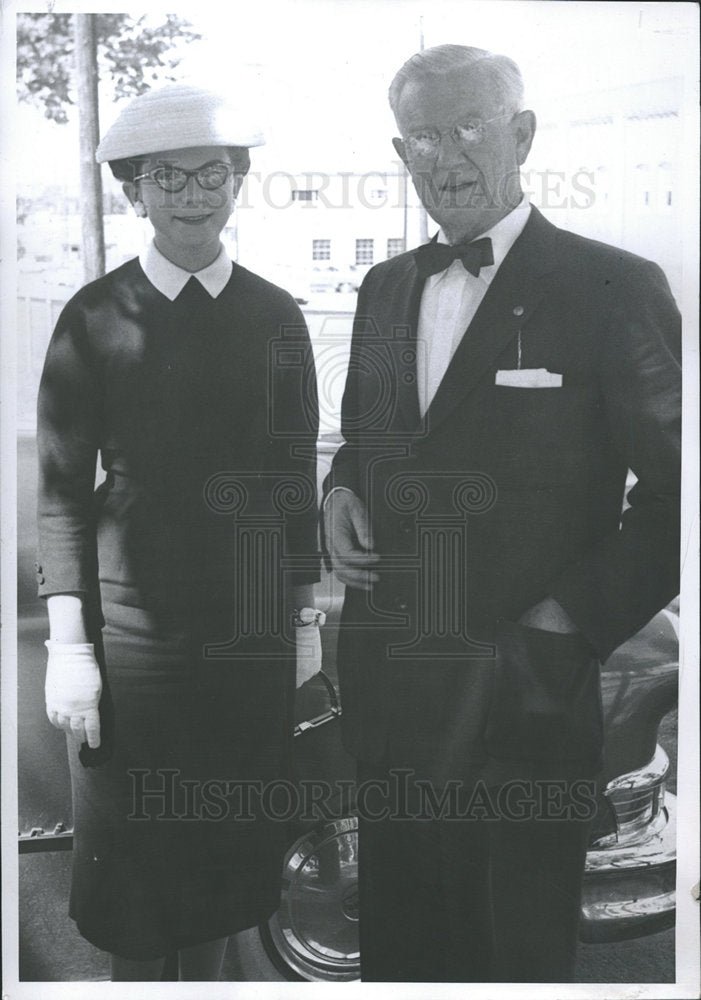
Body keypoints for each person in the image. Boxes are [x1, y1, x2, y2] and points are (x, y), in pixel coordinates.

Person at [323, 45, 681, 983]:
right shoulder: (384, 288)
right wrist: (339, 494)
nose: (447, 154)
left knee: (509, 961)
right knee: (401, 957)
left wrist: (565, 624)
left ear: (521, 134)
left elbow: (678, 494)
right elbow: (368, 444)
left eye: (470, 125)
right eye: (425, 136)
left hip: (523, 699)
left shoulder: (614, 285)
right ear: (401, 154)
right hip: (395, 693)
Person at [37, 83, 322, 981]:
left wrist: (303, 619)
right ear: (135, 193)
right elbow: (60, 493)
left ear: (238, 183)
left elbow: (288, 477)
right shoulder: (93, 317)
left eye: (212, 174)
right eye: (169, 178)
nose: (193, 194)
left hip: (248, 642)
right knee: (136, 891)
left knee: (227, 873)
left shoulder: (275, 315)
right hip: (133, 649)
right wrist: (70, 643)